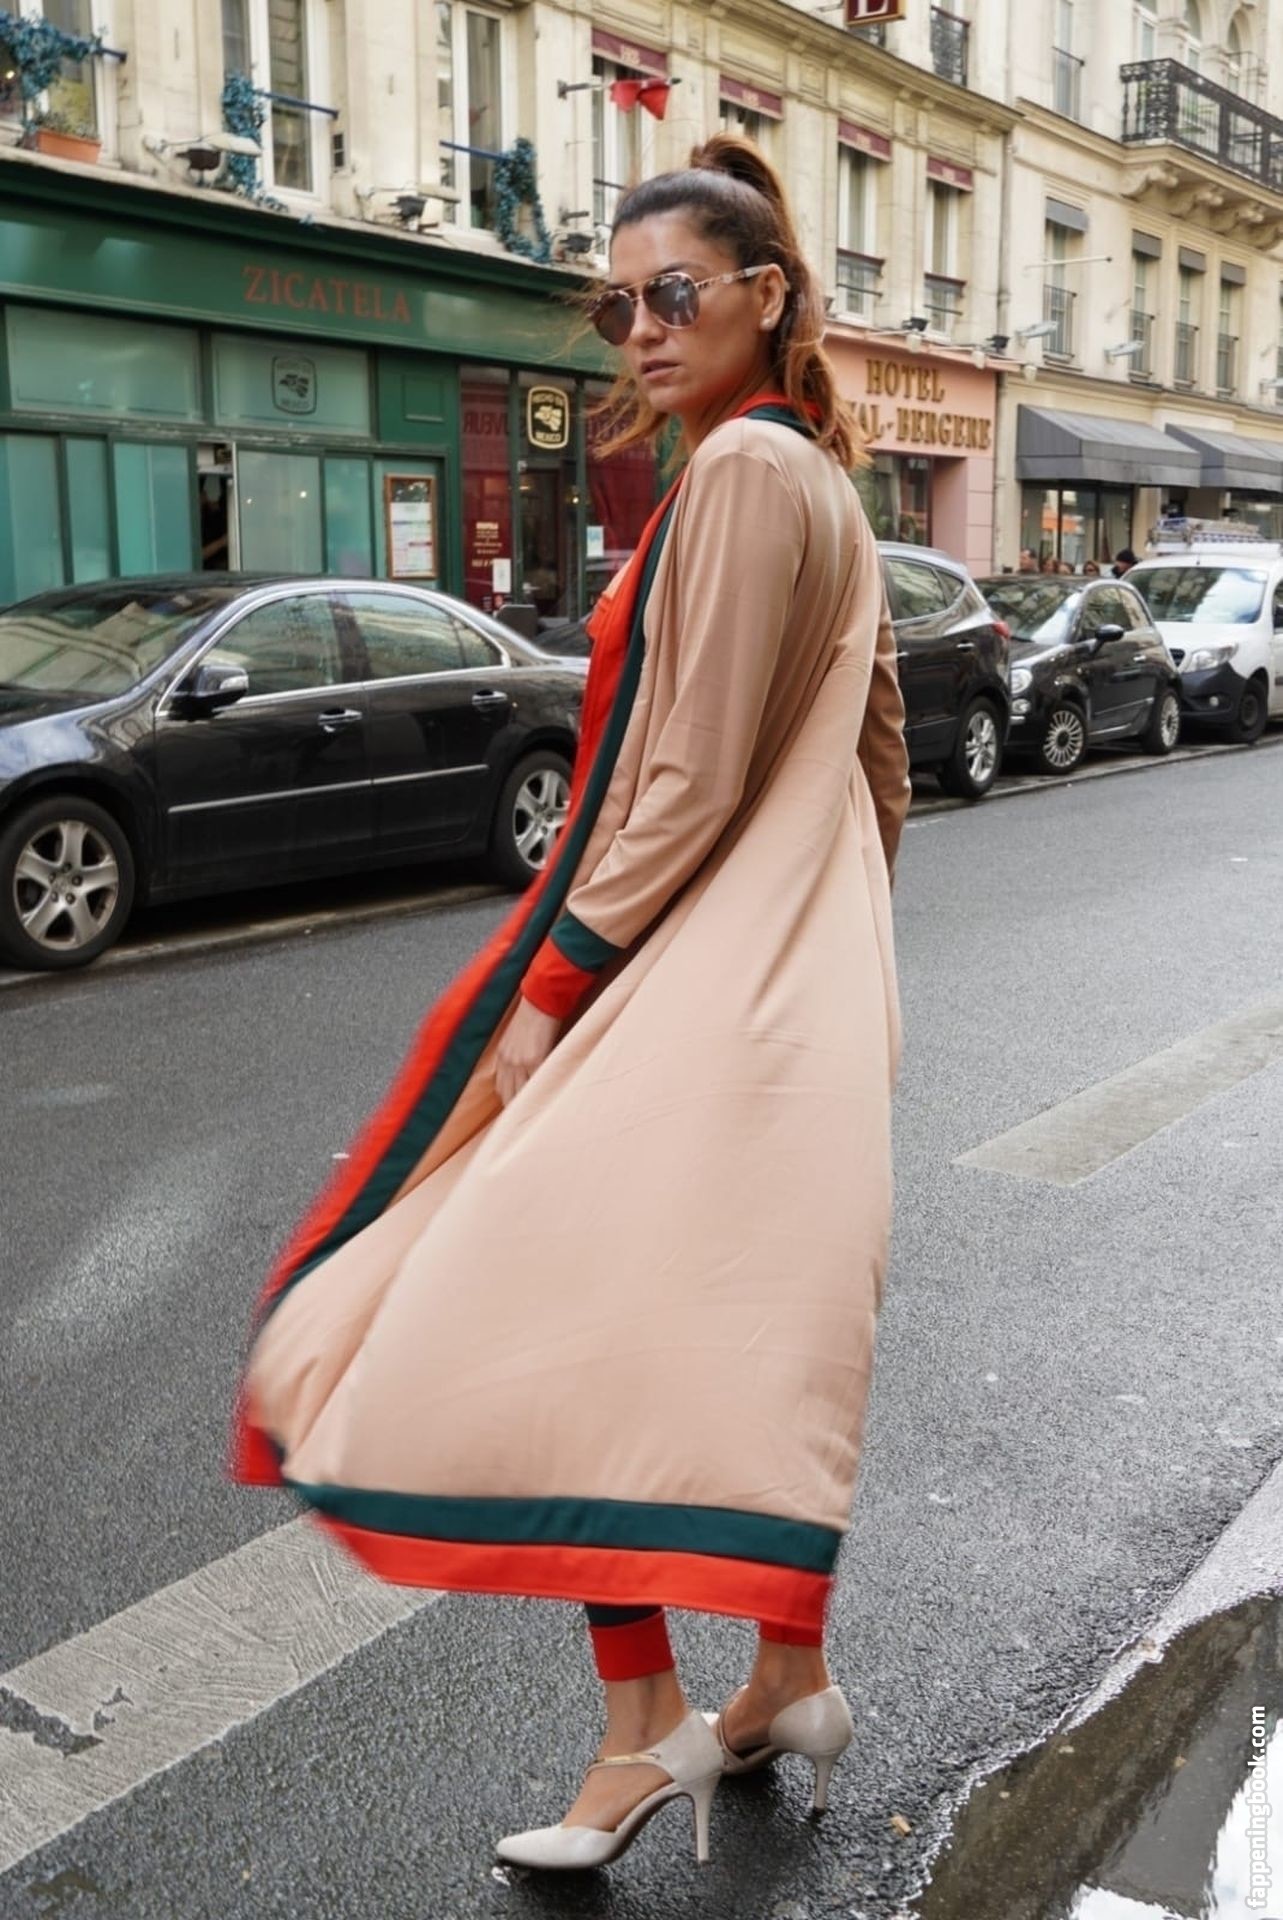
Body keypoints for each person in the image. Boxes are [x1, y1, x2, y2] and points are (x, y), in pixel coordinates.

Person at [231, 134, 910, 1874]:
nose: (643, 330)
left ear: (766, 296)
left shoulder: (741, 473)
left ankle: (641, 1730)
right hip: (773, 981)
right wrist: (824, 952)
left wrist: (555, 987)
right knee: (718, 1324)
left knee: (547, 1310)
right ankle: (783, 1677)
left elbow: (685, 780)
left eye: (673, 295)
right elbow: (881, 761)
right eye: (619, 307)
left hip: (672, 962)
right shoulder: (826, 483)